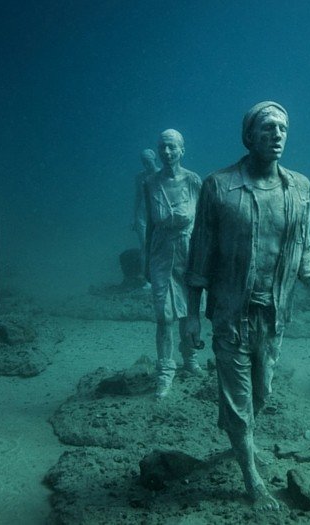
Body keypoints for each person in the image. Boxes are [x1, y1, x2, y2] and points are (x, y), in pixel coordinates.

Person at [185, 102, 310, 510]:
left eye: (283, 128)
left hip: (274, 313)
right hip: (230, 312)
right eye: (268, 128)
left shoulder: (300, 188)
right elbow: (199, 255)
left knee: (262, 391)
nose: (277, 135)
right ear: (249, 136)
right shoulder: (218, 186)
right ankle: (251, 475)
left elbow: (303, 249)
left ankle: (238, 436)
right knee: (238, 395)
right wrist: (191, 317)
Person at [144, 130, 202, 398]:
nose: (166, 153)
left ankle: (189, 359)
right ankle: (165, 371)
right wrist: (146, 260)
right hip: (160, 252)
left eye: (171, 147)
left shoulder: (194, 181)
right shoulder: (150, 183)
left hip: (188, 251)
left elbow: (203, 224)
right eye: (162, 147)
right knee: (164, 314)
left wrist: (205, 260)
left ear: (182, 150)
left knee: (190, 311)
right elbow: (149, 224)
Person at [133, 148, 157, 285]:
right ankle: (146, 279)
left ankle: (159, 276)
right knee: (144, 246)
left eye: (148, 161)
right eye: (144, 162)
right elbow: (137, 196)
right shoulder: (139, 177)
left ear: (154, 160)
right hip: (142, 215)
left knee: (158, 246)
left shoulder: (161, 174)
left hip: (156, 215)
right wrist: (134, 217)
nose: (146, 164)